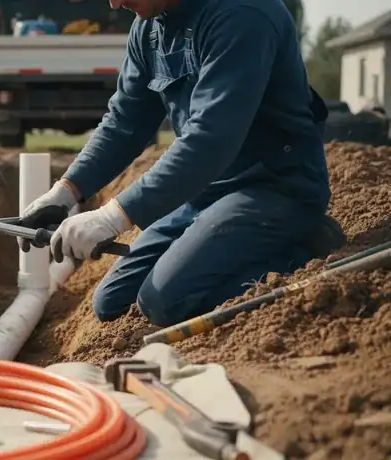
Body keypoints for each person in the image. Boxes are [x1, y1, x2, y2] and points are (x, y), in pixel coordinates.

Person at [19, 0, 345, 326]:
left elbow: (210, 139)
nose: (115, 3)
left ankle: (305, 245)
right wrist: (64, 193)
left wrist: (111, 217)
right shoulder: (149, 27)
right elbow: (124, 124)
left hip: (274, 187)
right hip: (205, 192)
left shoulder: (242, 14)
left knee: (165, 301)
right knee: (111, 302)